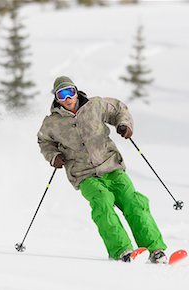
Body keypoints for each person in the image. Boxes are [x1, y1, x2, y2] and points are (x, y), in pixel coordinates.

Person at [37, 76, 167, 263]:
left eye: (70, 92)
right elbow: (44, 141)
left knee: (133, 202)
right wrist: (54, 156)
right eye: (61, 94)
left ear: (76, 91)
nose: (67, 98)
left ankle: (155, 249)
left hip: (111, 165)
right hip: (83, 174)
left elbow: (118, 109)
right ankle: (122, 251)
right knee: (102, 201)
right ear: (56, 98)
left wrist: (124, 124)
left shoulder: (95, 105)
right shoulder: (52, 123)